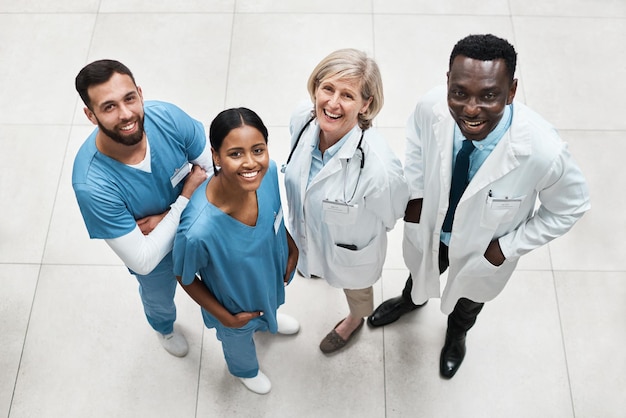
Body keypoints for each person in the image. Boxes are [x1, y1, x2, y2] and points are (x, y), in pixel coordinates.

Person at [367, 34, 591, 378]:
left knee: (470, 300)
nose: (471, 109)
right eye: (459, 93)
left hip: (483, 250)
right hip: (432, 228)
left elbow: (570, 207)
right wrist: (415, 197)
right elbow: (415, 140)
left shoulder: (543, 151)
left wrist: (505, 248)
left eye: (489, 95)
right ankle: (410, 302)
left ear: (511, 91)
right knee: (420, 272)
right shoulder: (431, 107)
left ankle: (457, 335)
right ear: (448, 83)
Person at [72, 59, 211, 357]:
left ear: (140, 93)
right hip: (159, 262)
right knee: (158, 297)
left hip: (204, 227)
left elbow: (216, 172)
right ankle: (165, 328)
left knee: (227, 276)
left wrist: (166, 216)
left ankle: (254, 318)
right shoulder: (92, 184)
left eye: (129, 99)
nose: (126, 114)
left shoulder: (168, 118)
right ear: (90, 115)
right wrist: (188, 194)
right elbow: (144, 260)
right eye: (109, 107)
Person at [283, 48, 409, 354]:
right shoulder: (303, 118)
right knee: (312, 262)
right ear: (315, 87)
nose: (333, 103)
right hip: (305, 235)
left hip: (351, 255)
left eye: (348, 95)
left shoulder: (379, 167)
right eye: (327, 88)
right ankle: (314, 264)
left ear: (366, 104)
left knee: (356, 290)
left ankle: (354, 320)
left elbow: (391, 214)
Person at [172, 108, 300, 395]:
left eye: (258, 150)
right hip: (234, 306)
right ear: (216, 156)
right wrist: (226, 317)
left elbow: (275, 217)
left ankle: (269, 322)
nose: (251, 163)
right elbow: (184, 275)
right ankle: (245, 369)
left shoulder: (266, 178)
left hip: (268, 280)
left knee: (270, 308)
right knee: (239, 339)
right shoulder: (197, 230)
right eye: (236, 154)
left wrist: (292, 248)